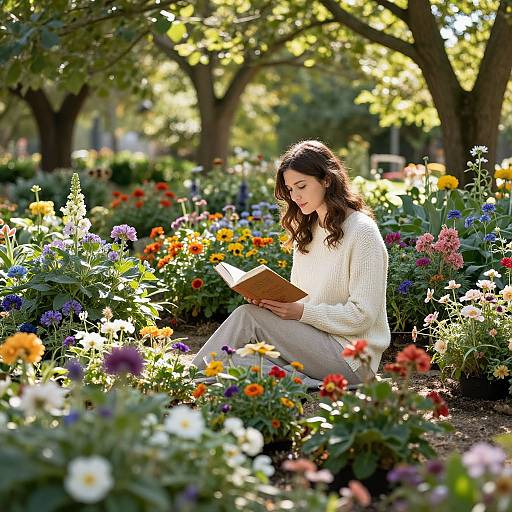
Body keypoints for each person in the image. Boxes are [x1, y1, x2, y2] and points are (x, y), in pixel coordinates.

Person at [192, 140, 390, 386]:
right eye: (290, 189)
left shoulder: (362, 232)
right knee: (235, 360)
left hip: (352, 359)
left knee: (247, 317)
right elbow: (302, 302)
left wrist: (301, 312)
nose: (295, 197)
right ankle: (303, 381)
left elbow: (363, 316)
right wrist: (271, 303)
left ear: (327, 180)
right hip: (313, 342)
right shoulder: (307, 230)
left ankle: (185, 379)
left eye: (301, 186)